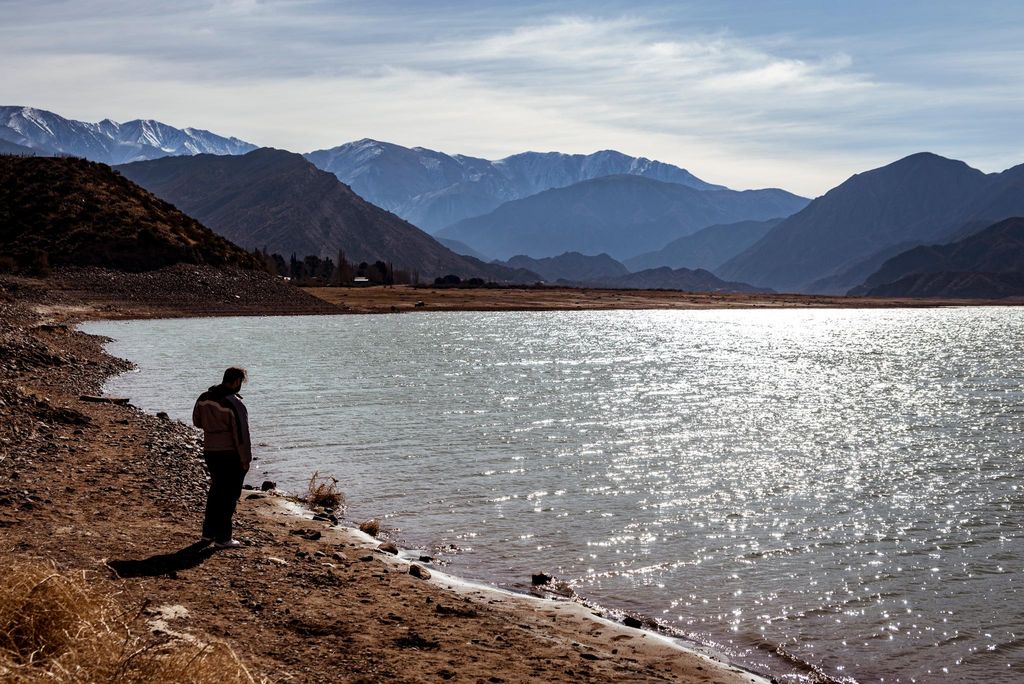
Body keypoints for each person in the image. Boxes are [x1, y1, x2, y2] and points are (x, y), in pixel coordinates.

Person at [192, 367, 252, 549]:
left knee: (216, 491)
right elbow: (242, 435)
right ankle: (223, 538)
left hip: (210, 451)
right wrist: (245, 459)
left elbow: (197, 422)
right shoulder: (234, 403)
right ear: (236, 382)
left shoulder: (204, 398)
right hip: (230, 454)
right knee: (229, 496)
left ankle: (208, 534)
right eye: (241, 382)